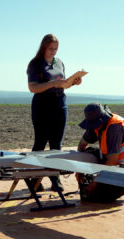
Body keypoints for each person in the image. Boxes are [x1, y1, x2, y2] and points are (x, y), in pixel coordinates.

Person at [27, 34, 81, 191]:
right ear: (44, 47)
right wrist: (53, 83)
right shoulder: (35, 64)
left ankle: (55, 179)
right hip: (42, 107)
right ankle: (33, 178)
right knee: (40, 143)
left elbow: (62, 85)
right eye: (51, 49)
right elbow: (33, 88)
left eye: (56, 49)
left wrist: (72, 83)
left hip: (59, 106)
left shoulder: (60, 63)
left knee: (56, 144)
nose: (53, 52)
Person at [77, 103, 124, 202]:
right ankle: (96, 187)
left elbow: (112, 161)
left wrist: (94, 183)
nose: (92, 127)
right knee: (86, 189)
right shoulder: (95, 126)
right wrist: (80, 170)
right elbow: (81, 146)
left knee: (100, 197)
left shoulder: (115, 128)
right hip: (115, 165)